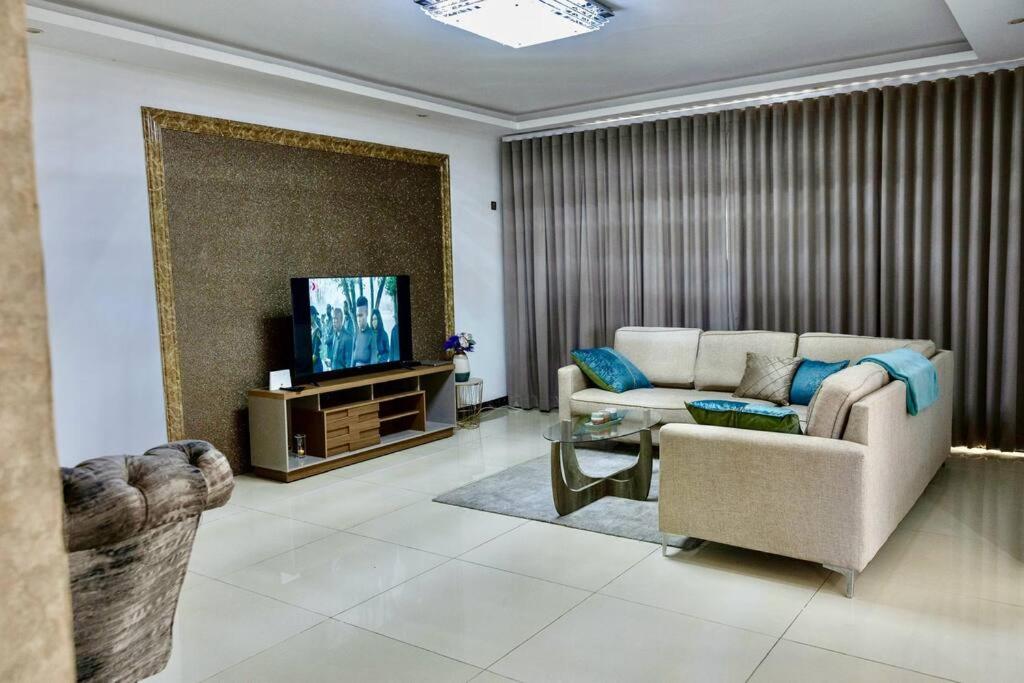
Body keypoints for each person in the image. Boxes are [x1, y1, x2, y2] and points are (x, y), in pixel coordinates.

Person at [350, 296, 376, 366]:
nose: (358, 319)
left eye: (361, 315)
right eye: (357, 316)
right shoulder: (356, 333)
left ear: (366, 313)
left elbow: (374, 360)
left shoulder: (371, 335)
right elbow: (352, 357)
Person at [326, 307, 353, 371]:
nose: (334, 321)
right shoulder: (334, 335)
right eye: (333, 318)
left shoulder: (348, 338)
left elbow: (348, 364)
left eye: (336, 318)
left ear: (341, 320)